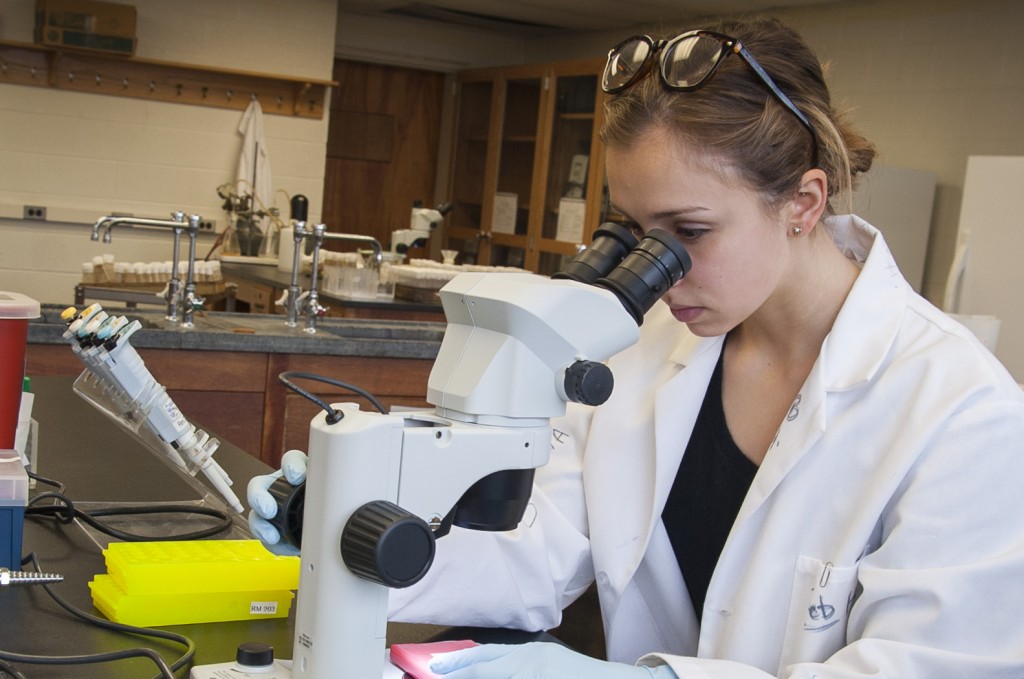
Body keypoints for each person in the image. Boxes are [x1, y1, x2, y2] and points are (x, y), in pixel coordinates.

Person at [249, 16, 1024, 678]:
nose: (659, 272)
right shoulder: (644, 349)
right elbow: (538, 549)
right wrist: (343, 532)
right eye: (633, 232)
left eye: (689, 232)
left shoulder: (961, 411)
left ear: (802, 201)